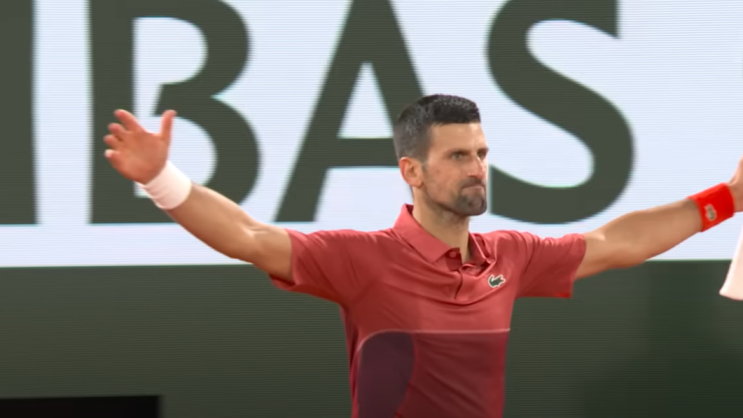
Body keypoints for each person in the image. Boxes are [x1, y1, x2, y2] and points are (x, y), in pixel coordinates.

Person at [104, 94, 741, 418]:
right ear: (412, 170)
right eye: (459, 156)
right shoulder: (360, 259)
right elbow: (247, 236)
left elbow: (614, 243)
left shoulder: (510, 255)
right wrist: (162, 179)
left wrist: (729, 199)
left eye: (482, 154)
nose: (477, 168)